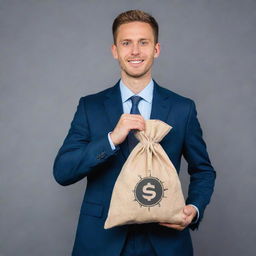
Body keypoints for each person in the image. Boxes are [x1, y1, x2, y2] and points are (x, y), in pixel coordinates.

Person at [53, 9, 216, 256]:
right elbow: (63, 171)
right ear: (115, 51)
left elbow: (203, 170)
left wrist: (193, 209)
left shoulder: (182, 108)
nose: (135, 51)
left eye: (143, 42)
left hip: (165, 241)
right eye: (126, 43)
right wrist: (111, 139)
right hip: (101, 240)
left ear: (156, 49)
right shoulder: (91, 107)